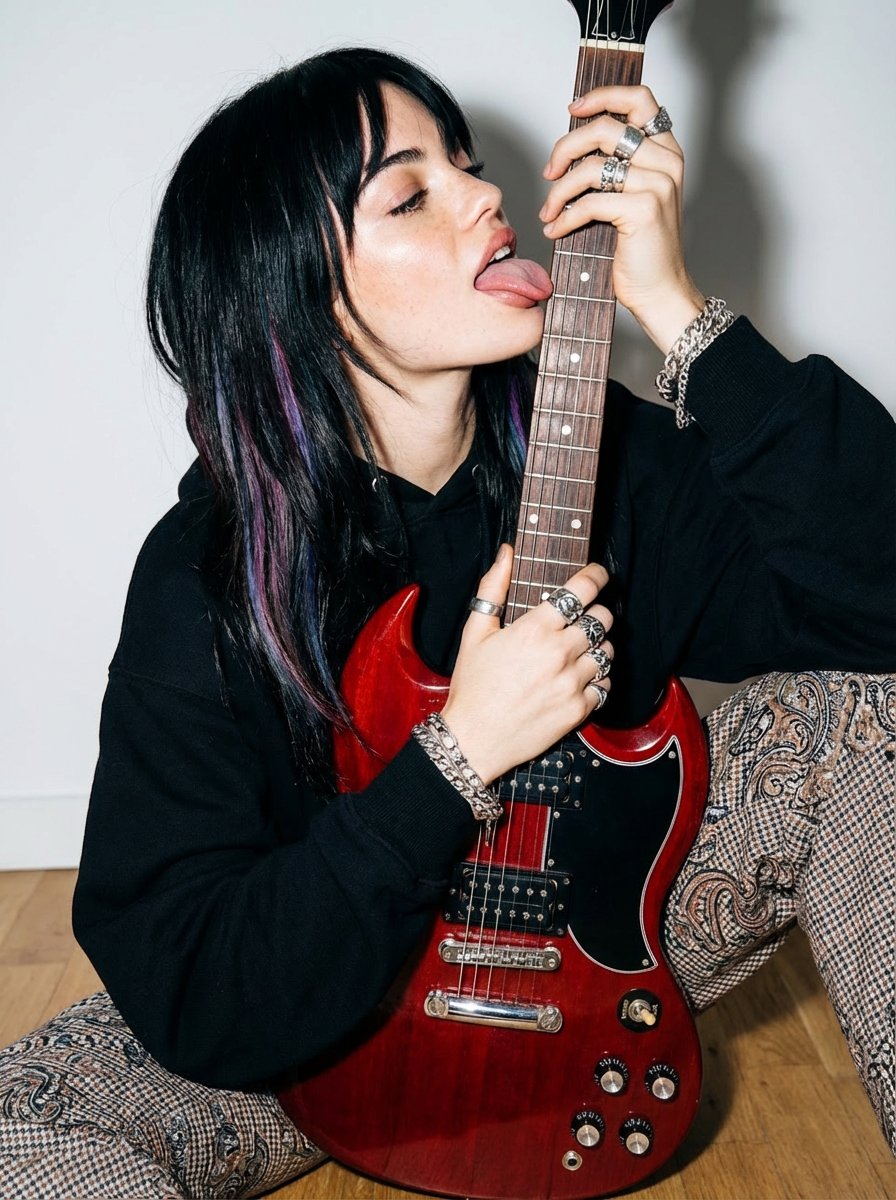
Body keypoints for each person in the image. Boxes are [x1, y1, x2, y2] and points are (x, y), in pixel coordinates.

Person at [0, 45, 893, 1199]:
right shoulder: (208, 574)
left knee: (865, 714)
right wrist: (457, 755)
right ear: (294, 291)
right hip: (307, 1035)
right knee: (17, 1144)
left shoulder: (605, 461)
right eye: (411, 195)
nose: (484, 196)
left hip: (593, 967)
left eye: (465, 163)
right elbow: (190, 972)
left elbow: (877, 595)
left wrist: (679, 315)